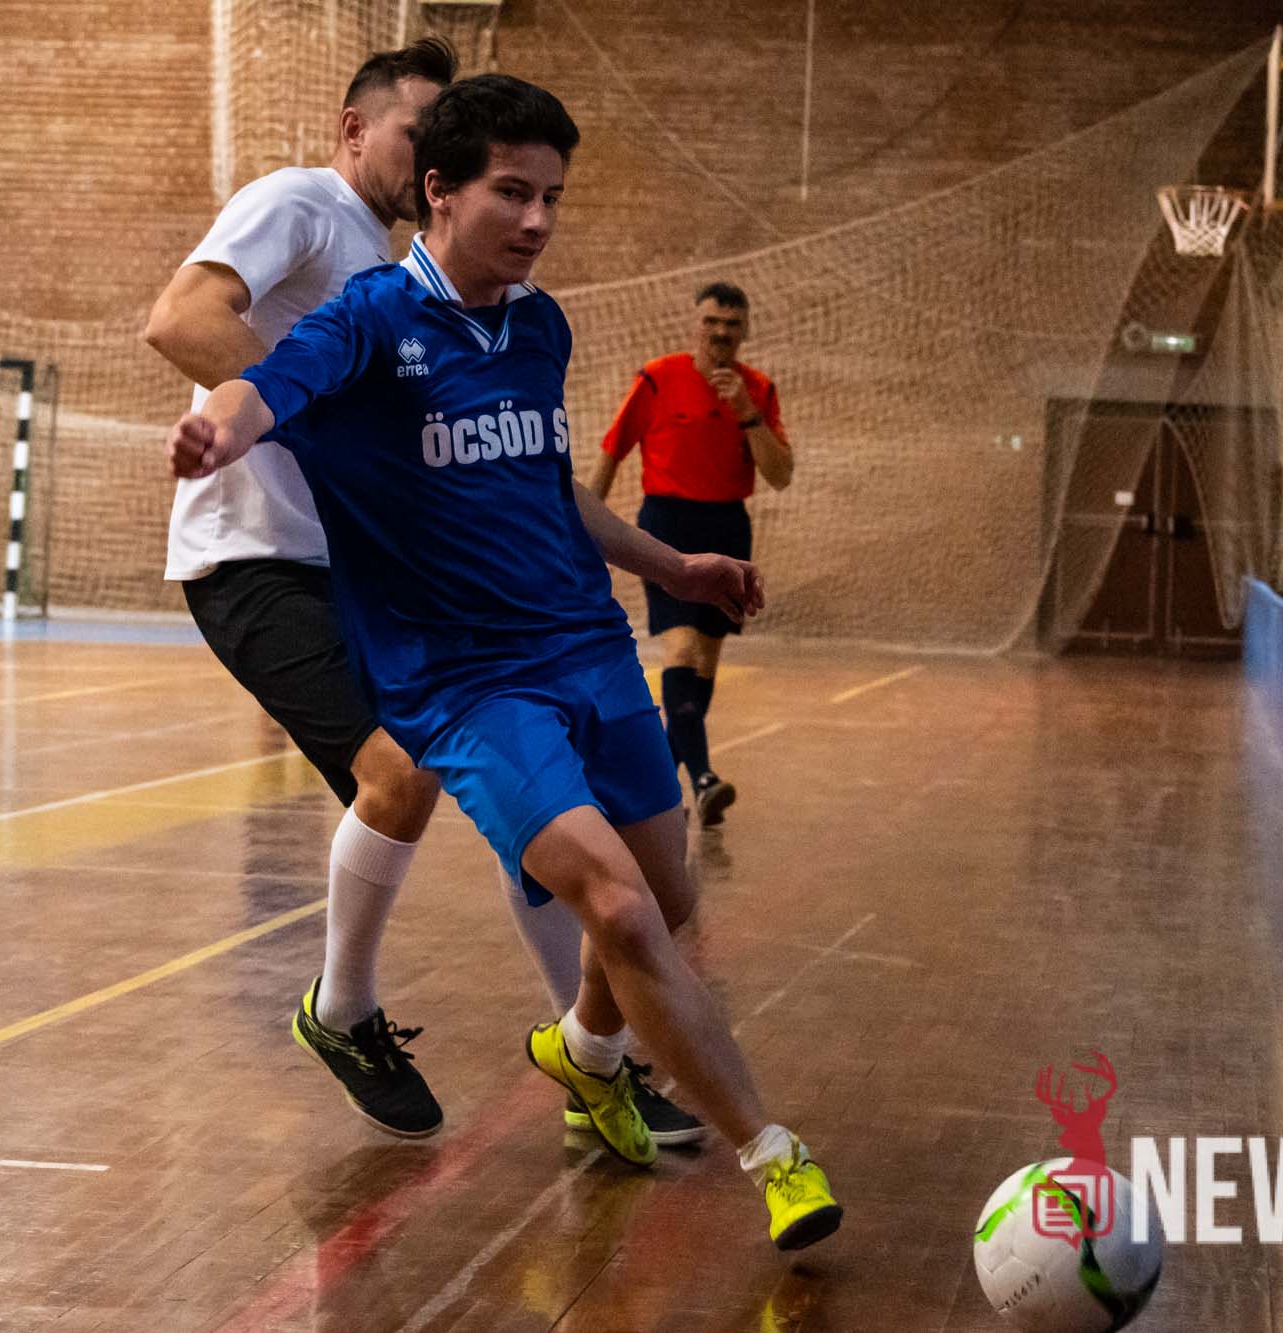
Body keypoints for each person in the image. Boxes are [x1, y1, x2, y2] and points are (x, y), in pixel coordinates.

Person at [164, 73, 844, 1250]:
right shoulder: (368, 322)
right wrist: (217, 430)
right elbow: (266, 387)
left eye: (552, 199)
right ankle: (771, 1151)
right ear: (439, 189)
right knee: (617, 906)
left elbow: (544, 487)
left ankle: (583, 1052)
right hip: (463, 683)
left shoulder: (540, 326)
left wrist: (674, 566)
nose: (536, 221)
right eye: (511, 193)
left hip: (585, 643)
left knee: (666, 903)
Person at [142, 38, 700, 1149]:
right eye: (416, 131)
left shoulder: (439, 288)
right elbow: (181, 317)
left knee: (532, 798)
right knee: (402, 766)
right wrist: (316, 423)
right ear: (356, 131)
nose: (432, 149)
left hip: (376, 571)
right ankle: (343, 1008)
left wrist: (669, 566)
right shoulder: (302, 202)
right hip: (261, 557)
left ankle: (595, 1060)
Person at [587, 282, 793, 825]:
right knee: (679, 651)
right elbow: (611, 451)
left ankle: (650, 793)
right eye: (711, 322)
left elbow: (780, 475)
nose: (720, 333)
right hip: (667, 526)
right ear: (696, 325)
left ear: (744, 330)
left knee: (703, 664)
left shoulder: (759, 390)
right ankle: (703, 779)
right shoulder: (659, 378)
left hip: (728, 528)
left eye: (731, 324)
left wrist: (747, 412)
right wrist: (581, 532)